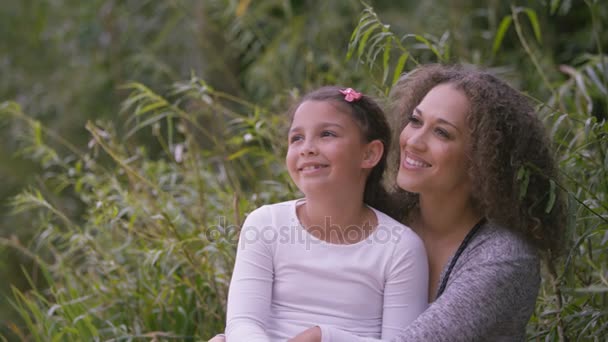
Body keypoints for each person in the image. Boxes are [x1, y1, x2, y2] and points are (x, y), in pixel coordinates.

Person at [289, 64, 566, 341]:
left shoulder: (502, 257)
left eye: (442, 133)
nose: (414, 141)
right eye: (415, 121)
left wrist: (322, 336)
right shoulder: (383, 218)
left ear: (483, 159)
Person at [220, 86, 429, 341]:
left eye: (326, 134)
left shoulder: (400, 248)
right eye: (296, 138)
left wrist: (324, 337)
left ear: (369, 153)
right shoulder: (265, 225)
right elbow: (243, 323)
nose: (306, 148)